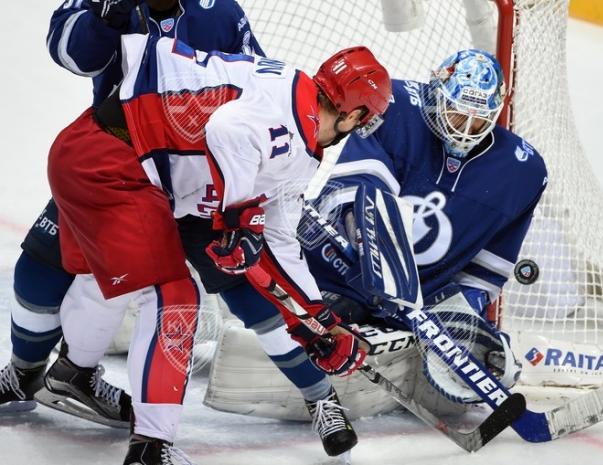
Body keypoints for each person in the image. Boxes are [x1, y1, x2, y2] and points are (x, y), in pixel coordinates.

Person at [46, 32, 391, 463]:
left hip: (114, 159)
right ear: (355, 113)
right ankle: (150, 449)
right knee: (173, 295)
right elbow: (227, 130)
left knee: (106, 280)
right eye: (364, 120)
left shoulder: (298, 117)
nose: (361, 128)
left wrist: (321, 321)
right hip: (113, 161)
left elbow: (281, 240)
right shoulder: (288, 119)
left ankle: (69, 372)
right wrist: (239, 215)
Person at [0, 0, 263, 423]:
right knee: (40, 268)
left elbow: (261, 88)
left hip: (192, 177)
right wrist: (107, 18)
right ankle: (24, 374)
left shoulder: (220, 11)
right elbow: (69, 52)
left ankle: (105, 393)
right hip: (114, 163)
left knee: (205, 289)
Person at [303, 49, 547, 406]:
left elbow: (488, 267)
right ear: (436, 94)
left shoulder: (522, 170)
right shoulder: (392, 106)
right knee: (325, 317)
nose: (464, 128)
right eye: (456, 113)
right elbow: (356, 200)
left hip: (424, 298)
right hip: (340, 269)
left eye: (478, 121)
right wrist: (381, 269)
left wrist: (461, 313)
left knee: (499, 366)